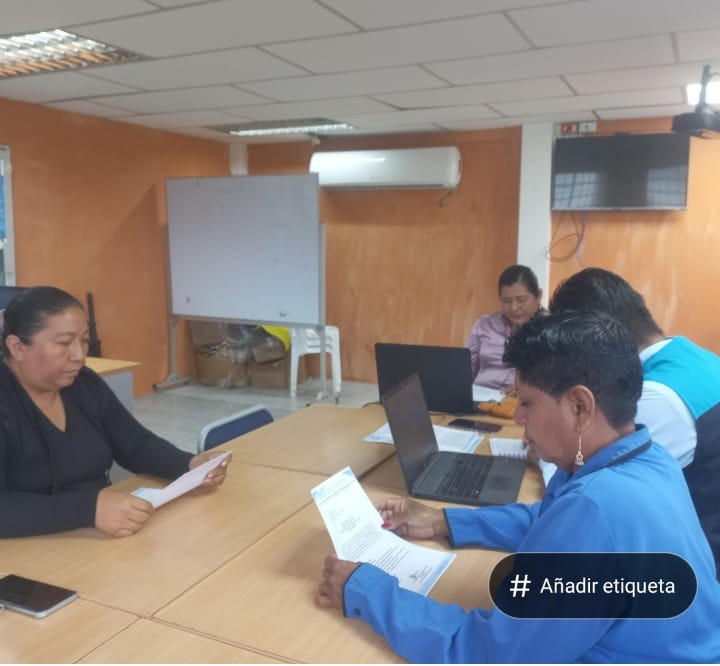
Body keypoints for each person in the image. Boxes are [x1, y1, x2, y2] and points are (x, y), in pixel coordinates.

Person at [316, 312, 720, 663]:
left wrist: (366, 589)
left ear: (580, 407)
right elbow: (549, 519)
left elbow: (488, 653)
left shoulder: (596, 510)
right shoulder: (644, 456)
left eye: (526, 403)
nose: (518, 418)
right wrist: (443, 522)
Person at [0, 286, 230, 539]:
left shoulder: (83, 383)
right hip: (29, 547)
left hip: (95, 535)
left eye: (84, 341)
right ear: (17, 347)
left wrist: (188, 465)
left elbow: (134, 444)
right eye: (64, 343)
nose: (79, 355)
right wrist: (89, 510)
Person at [549, 267, 720, 577]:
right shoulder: (693, 356)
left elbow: (585, 498)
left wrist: (549, 445)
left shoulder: (656, 399)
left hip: (688, 573)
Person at [466, 264, 543, 390]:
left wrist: (524, 389)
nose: (514, 308)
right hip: (481, 396)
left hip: (523, 399)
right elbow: (467, 371)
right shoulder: (484, 324)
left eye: (521, 299)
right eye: (506, 301)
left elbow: (557, 381)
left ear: (538, 295)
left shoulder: (550, 331)